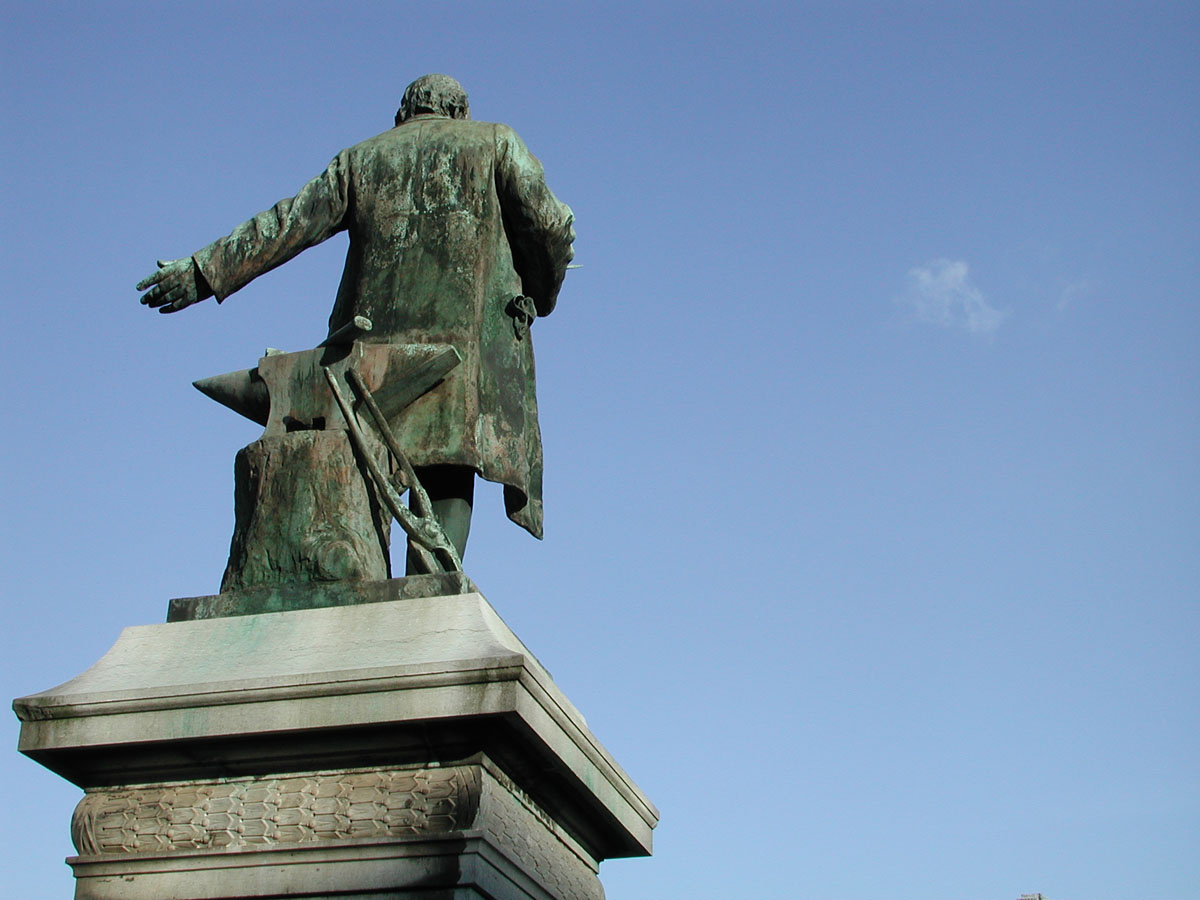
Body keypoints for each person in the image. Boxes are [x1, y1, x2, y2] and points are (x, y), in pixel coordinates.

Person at [137, 74, 574, 572]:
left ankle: (375, 587)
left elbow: (286, 223)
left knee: (367, 472)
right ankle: (431, 587)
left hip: (368, 355)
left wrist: (205, 269)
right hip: (460, 349)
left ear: (403, 114)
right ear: (460, 112)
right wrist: (541, 291)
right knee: (450, 466)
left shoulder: (361, 158)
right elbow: (552, 227)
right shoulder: (496, 142)